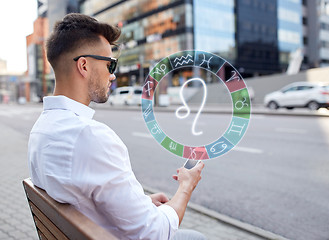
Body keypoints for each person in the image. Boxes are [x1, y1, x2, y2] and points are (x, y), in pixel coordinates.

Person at [28, 13, 205, 240]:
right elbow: (155, 233)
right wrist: (186, 186)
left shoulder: (41, 128)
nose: (113, 75)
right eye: (110, 64)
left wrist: (141, 203)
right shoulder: (90, 137)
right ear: (84, 65)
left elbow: (80, 198)